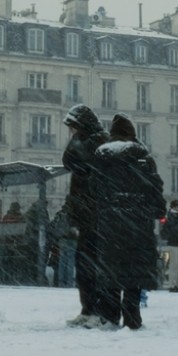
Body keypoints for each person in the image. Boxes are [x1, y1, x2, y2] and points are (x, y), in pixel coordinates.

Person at [87, 114, 165, 329]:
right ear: (132, 135)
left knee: (111, 272)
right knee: (134, 273)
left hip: (110, 224)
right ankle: (133, 315)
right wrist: (156, 210)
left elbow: (92, 189)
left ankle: (110, 316)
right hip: (138, 224)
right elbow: (155, 189)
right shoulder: (144, 159)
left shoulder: (102, 157)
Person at [61, 104, 109, 326]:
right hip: (87, 215)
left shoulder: (97, 145)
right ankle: (87, 308)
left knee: (94, 266)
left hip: (97, 216)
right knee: (84, 267)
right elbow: (69, 161)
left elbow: (72, 159)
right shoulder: (85, 144)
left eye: (74, 127)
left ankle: (97, 310)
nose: (71, 133)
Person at [159, 199, 178, 291]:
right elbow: (173, 229)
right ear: (175, 207)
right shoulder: (170, 216)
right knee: (174, 266)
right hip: (174, 243)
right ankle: (172, 285)